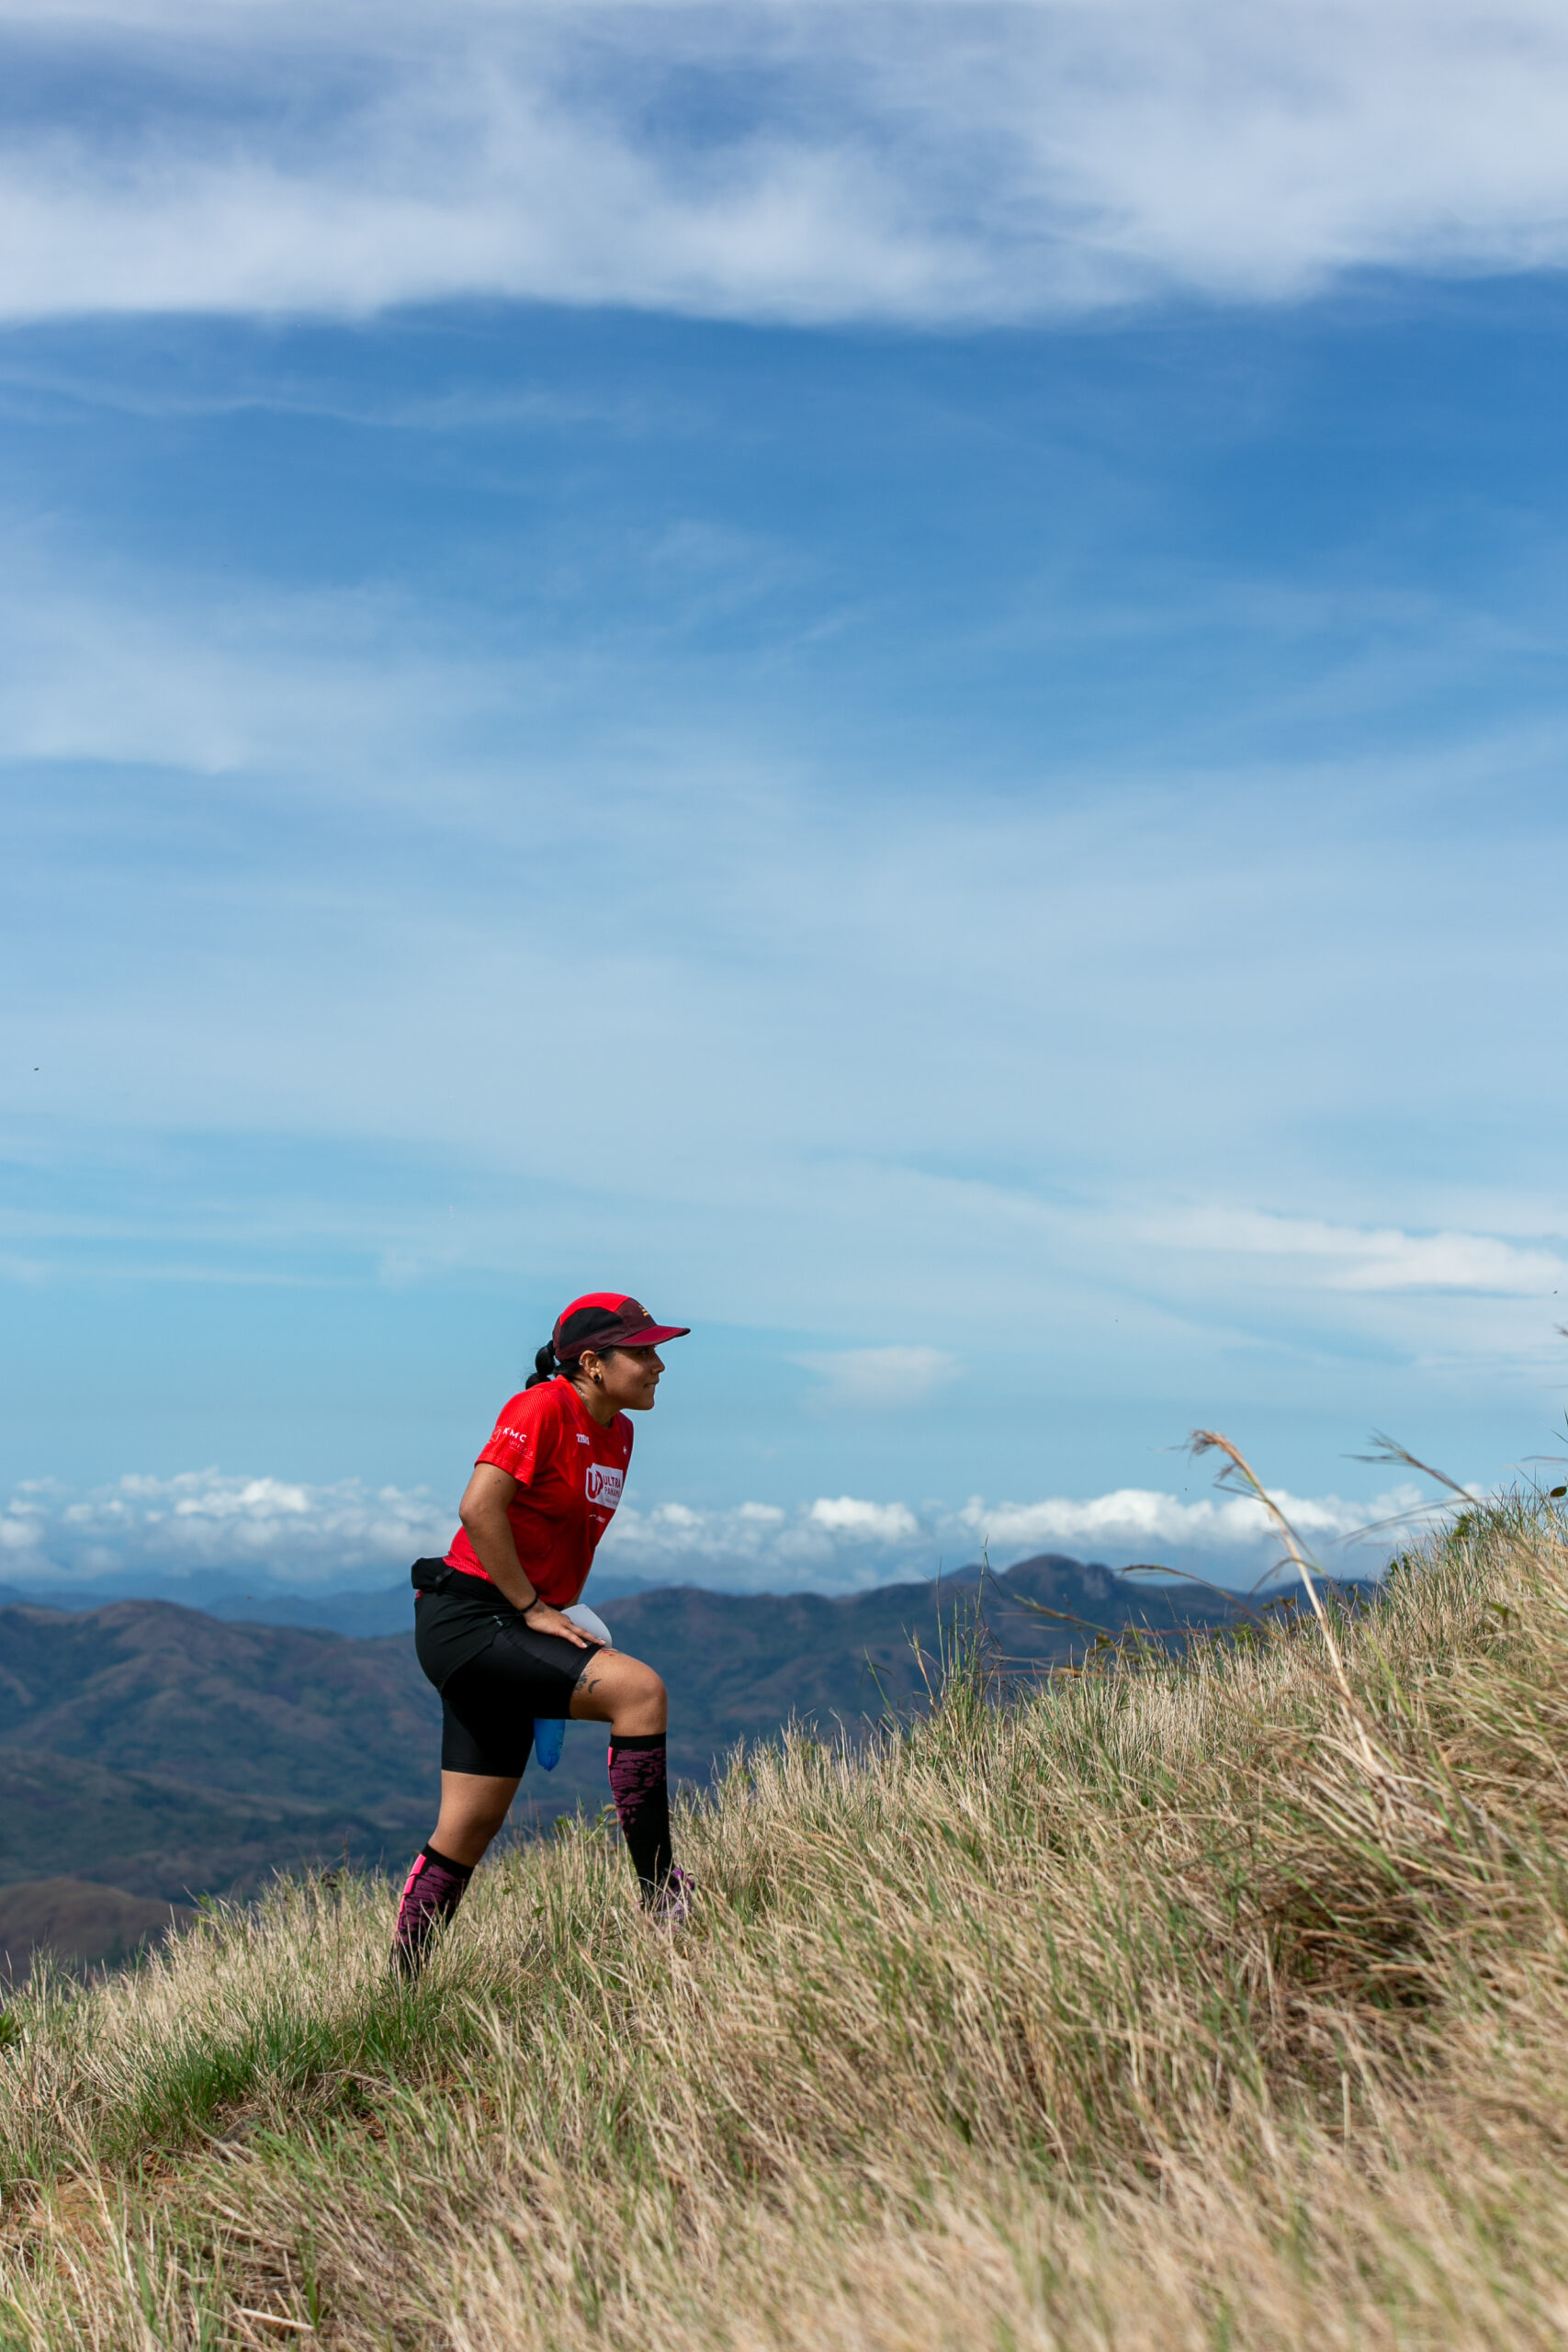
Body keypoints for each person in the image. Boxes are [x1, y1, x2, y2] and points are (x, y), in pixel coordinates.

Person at [392, 1292, 692, 1973]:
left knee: (469, 1824)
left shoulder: (619, 1432)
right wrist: (530, 1607)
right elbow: (479, 1509)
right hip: (469, 1621)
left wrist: (557, 1611)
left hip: (511, 1621)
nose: (658, 1365)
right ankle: (663, 1900)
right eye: (642, 1352)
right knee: (640, 1692)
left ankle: (402, 1987)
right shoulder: (541, 1408)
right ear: (591, 1363)